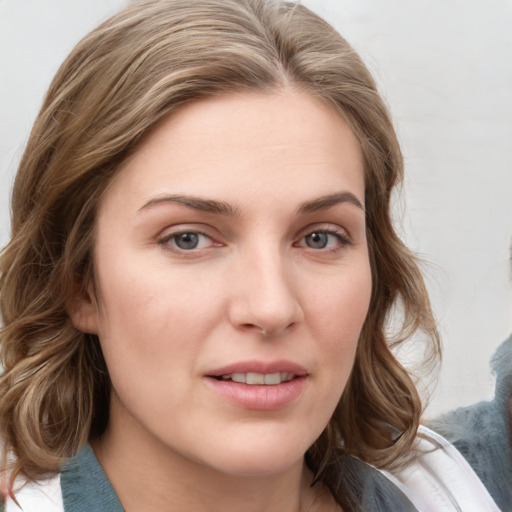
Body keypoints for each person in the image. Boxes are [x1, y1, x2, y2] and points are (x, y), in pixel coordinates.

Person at [0, 0, 500, 510]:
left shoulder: (469, 488)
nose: (271, 307)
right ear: (78, 280)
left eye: (320, 237)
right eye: (188, 238)